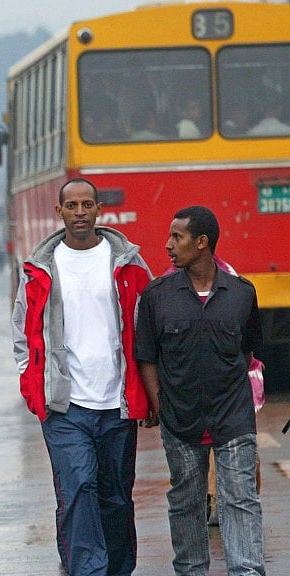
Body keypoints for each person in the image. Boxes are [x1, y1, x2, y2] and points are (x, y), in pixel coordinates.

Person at [11, 177, 152, 576]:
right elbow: (22, 331)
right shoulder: (41, 268)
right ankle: (89, 570)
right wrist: (32, 386)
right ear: (59, 212)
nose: (79, 213)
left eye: (86, 205)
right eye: (71, 206)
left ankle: (117, 568)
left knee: (115, 497)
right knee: (78, 488)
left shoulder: (128, 263)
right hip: (64, 407)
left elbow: (149, 326)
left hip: (117, 404)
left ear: (98, 210)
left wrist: (149, 392)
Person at [135, 205, 265, 576]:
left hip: (233, 418)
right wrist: (162, 406)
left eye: (177, 237)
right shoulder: (157, 296)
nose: (168, 245)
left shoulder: (241, 294)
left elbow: (246, 353)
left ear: (202, 243)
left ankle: (247, 571)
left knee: (240, 499)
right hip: (181, 421)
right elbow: (147, 357)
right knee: (186, 504)